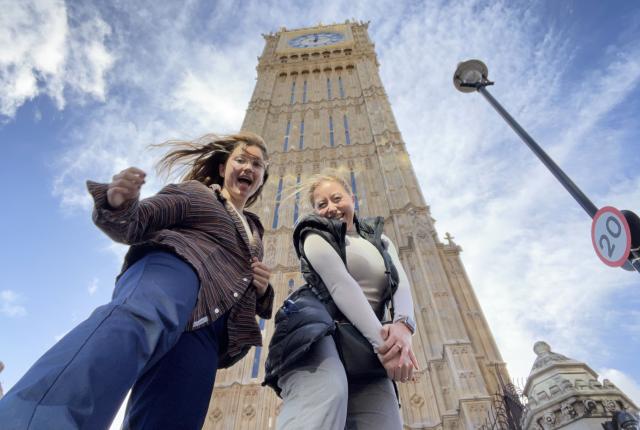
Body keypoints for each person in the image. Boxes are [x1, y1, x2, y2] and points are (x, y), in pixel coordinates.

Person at [0, 132, 273, 430]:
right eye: (241, 159)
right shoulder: (199, 193)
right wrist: (119, 202)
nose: (248, 167)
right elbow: (137, 222)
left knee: (176, 411)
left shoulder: (255, 231)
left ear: (262, 177)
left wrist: (262, 291)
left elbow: (245, 281)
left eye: (257, 164)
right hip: (176, 269)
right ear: (223, 168)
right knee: (130, 331)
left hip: (211, 320)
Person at [264, 171, 419, 430]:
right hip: (318, 333)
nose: (331, 208)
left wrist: (404, 327)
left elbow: (400, 284)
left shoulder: (380, 239)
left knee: (385, 421)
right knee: (327, 395)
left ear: (352, 199)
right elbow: (341, 285)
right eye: (321, 204)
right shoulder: (313, 234)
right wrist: (386, 348)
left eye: (337, 199)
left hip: (365, 343)